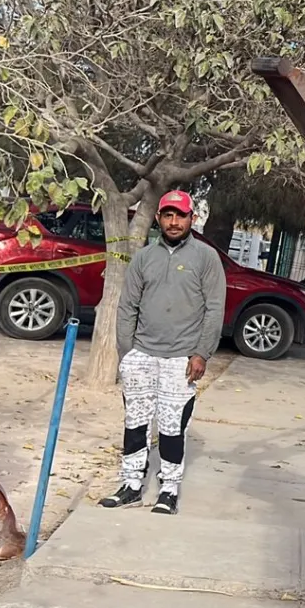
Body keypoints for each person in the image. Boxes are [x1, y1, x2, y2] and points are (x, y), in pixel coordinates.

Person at [99, 190, 226, 515]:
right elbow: (127, 305)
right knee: (135, 423)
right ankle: (131, 485)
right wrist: (127, 352)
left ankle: (169, 489)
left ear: (191, 219)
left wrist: (201, 353)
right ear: (158, 218)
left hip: (181, 360)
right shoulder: (143, 257)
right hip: (142, 355)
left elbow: (214, 309)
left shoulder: (206, 257)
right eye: (167, 215)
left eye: (180, 215)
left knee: (172, 427)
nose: (173, 221)